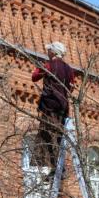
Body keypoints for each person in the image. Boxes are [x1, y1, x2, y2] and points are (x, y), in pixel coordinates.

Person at [30, 41, 75, 172]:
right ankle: (58, 167)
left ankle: (53, 167)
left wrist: (41, 68)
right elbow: (71, 87)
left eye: (49, 50)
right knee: (59, 136)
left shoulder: (49, 65)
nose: (47, 52)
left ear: (54, 52)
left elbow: (34, 77)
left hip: (49, 106)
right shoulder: (69, 69)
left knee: (46, 135)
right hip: (63, 108)